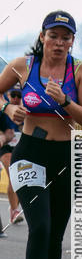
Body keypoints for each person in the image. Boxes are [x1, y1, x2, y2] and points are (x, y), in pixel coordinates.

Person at [0, 11, 82, 259]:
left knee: (54, 234)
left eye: (65, 37)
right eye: (53, 35)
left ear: (72, 41)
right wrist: (8, 107)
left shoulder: (80, 71)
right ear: (42, 37)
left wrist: (65, 102)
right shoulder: (23, 66)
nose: (58, 42)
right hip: (29, 152)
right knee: (39, 226)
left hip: (66, 155)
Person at [0, 88, 24, 224]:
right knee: (12, 173)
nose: (15, 98)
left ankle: (15, 204)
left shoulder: (25, 107)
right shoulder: (3, 107)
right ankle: (14, 211)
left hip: (21, 146)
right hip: (5, 146)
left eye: (18, 96)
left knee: (20, 180)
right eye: (13, 95)